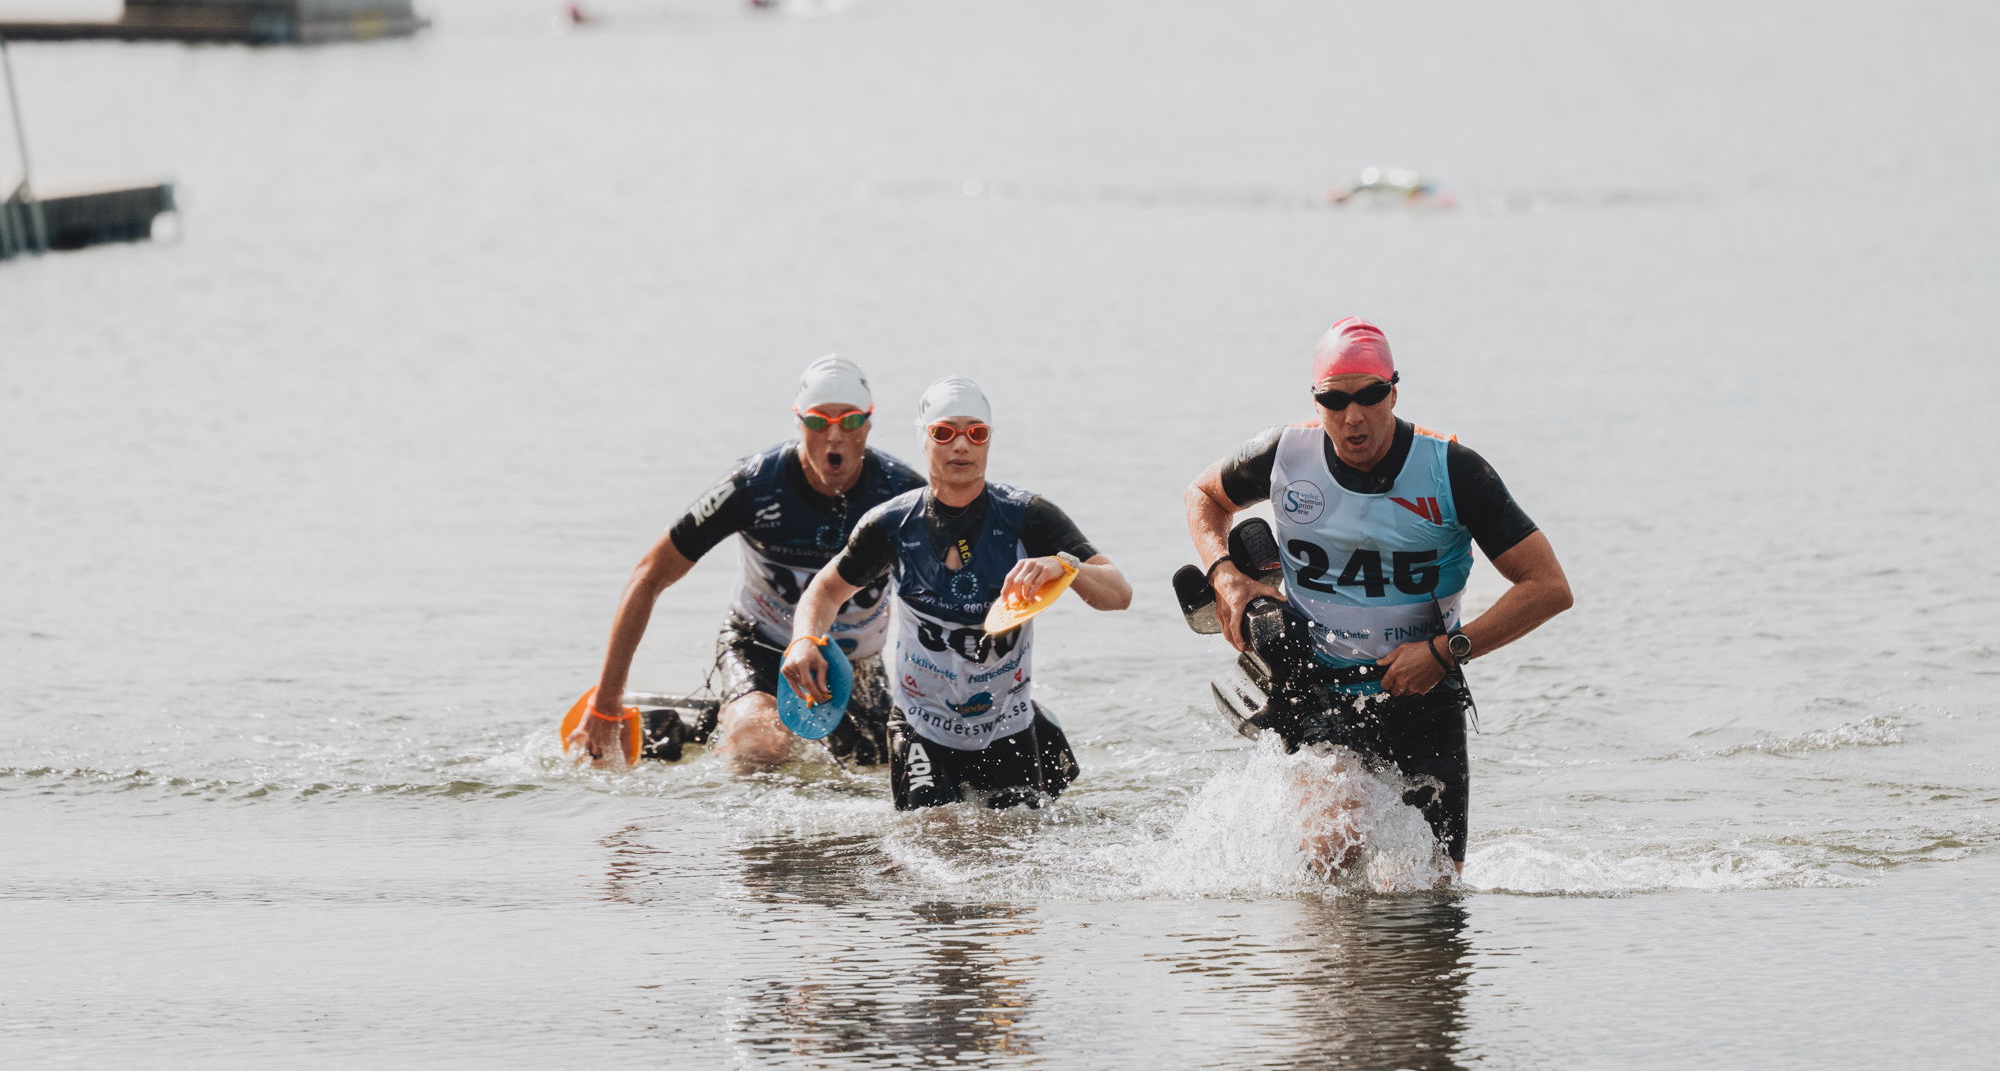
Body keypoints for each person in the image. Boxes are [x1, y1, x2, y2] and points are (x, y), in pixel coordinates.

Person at [1183, 317, 1572, 873]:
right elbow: (1203, 494)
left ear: (1393, 391)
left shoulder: (1453, 470)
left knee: (1436, 892)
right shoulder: (1284, 453)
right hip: (1317, 688)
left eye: (1369, 396)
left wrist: (1445, 652)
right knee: (1333, 850)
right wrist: (1225, 576)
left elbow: (1548, 587)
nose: (1352, 416)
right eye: (1333, 400)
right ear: (1316, 400)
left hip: (1424, 692)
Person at [785, 375, 1131, 810]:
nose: (962, 445)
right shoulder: (891, 524)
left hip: (1006, 725)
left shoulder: (1027, 516)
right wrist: (804, 639)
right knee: (930, 836)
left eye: (976, 433)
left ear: (988, 441)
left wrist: (1066, 566)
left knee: (1020, 838)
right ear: (923, 439)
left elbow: (1118, 593)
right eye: (944, 433)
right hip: (921, 726)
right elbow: (826, 590)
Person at [577, 355, 922, 770]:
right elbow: (648, 575)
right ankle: (741, 734)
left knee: (881, 771)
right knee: (761, 746)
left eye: (849, 421)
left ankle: (704, 723)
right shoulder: (756, 485)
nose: (834, 437)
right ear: (798, 422)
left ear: (868, 423)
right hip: (759, 645)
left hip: (854, 666)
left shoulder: (903, 495)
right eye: (818, 422)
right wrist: (605, 704)